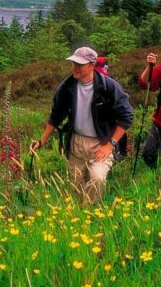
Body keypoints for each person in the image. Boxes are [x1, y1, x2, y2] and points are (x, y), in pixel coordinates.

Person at [31, 47, 133, 204]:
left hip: (101, 143)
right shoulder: (67, 87)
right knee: (76, 186)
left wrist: (110, 145)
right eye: (73, 63)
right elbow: (56, 116)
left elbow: (126, 117)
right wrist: (42, 141)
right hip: (76, 143)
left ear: (92, 65)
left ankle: (90, 212)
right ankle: (81, 216)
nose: (75, 68)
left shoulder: (108, 87)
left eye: (80, 64)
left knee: (97, 178)